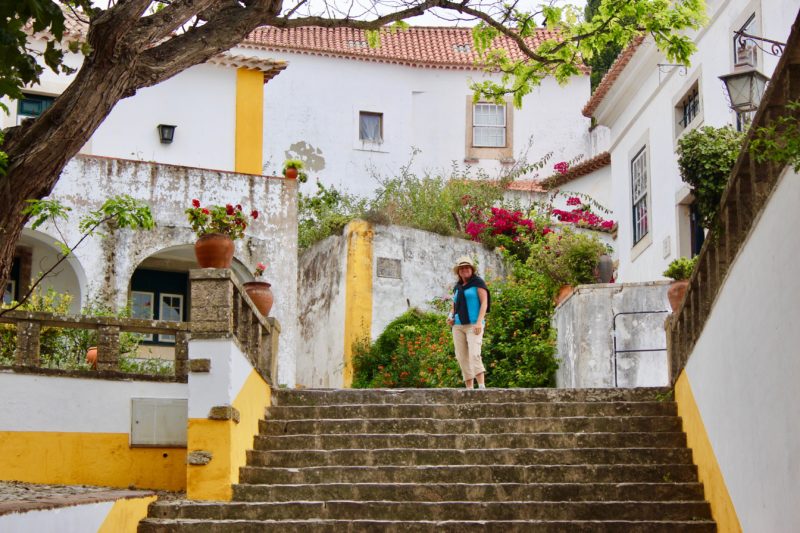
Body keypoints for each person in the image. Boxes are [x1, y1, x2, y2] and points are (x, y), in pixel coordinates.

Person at [446, 256, 491, 389]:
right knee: (461, 356)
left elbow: (484, 303)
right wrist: (450, 317)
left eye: (467, 267)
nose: (464, 270)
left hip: (474, 324)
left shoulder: (478, 283)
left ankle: (481, 386)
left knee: (474, 354)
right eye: (462, 268)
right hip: (458, 325)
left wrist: (478, 322)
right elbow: (454, 305)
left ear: (471, 269)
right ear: (458, 271)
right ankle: (469, 389)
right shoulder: (457, 287)